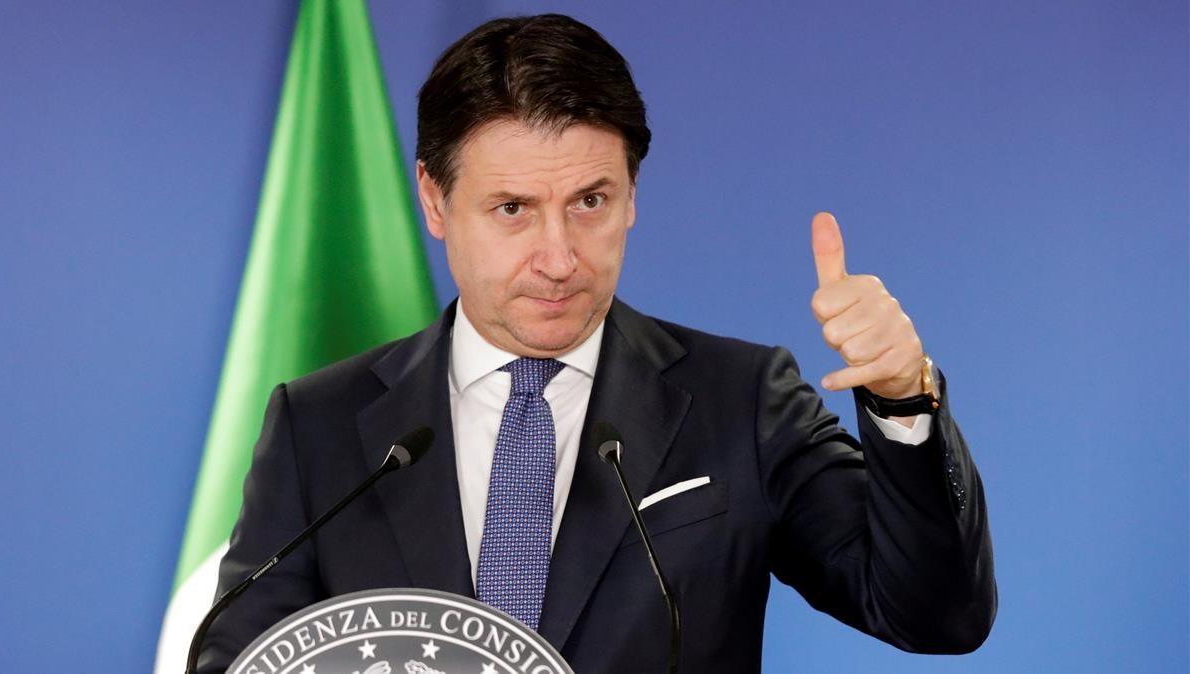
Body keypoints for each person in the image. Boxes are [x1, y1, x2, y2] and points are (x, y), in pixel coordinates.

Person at [199, 14, 995, 673]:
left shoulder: (740, 403)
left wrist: (901, 400)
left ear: (632, 197)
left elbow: (935, 615)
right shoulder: (321, 428)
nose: (558, 256)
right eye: (512, 209)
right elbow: (239, 659)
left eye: (590, 201)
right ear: (435, 202)